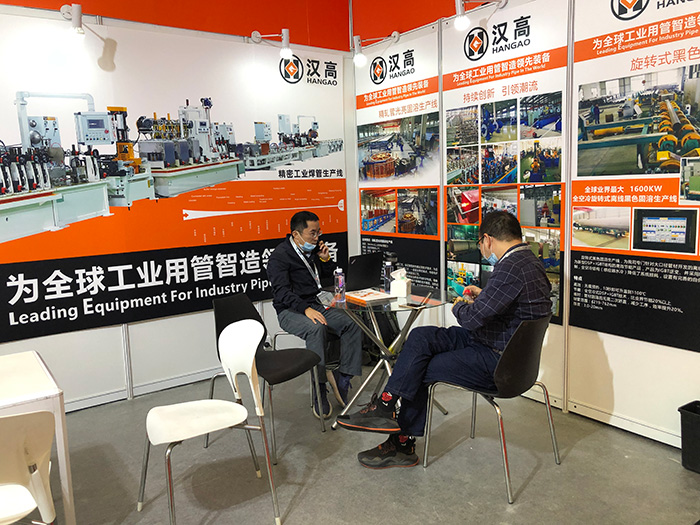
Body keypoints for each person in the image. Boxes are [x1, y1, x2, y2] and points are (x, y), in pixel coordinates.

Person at [337, 211, 552, 468]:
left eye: (480, 244)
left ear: (487, 239)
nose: (482, 249)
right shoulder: (529, 262)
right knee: (421, 336)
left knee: (421, 365)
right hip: (502, 351)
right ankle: (386, 404)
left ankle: (401, 443)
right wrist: (484, 295)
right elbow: (510, 306)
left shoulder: (510, 268)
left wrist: (459, 305)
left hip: (498, 364)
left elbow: (471, 319)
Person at [267, 211, 362, 419]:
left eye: (318, 232)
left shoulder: (312, 251)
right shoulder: (280, 257)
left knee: (352, 323)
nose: (317, 237)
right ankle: (319, 388)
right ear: (296, 234)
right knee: (316, 329)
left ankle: (343, 377)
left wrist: (326, 260)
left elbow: (325, 279)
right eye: (312, 233)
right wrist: (305, 309)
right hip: (290, 311)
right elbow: (281, 292)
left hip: (316, 304)